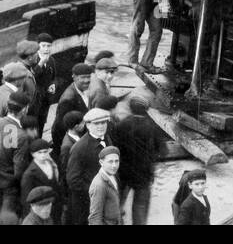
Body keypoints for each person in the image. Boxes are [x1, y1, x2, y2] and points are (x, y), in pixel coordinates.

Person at [114, 95, 161, 225]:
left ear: (131, 108)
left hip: (124, 171)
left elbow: (116, 147)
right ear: (146, 110)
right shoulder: (152, 127)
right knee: (140, 206)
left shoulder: (121, 125)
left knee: (118, 202)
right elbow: (160, 150)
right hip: (144, 173)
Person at [65, 106, 111, 225]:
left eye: (103, 122)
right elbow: (73, 180)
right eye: (97, 124)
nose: (101, 126)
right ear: (88, 125)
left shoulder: (107, 139)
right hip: (87, 204)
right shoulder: (79, 148)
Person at [88, 146, 123, 225]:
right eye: (110, 161)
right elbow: (95, 218)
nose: (114, 165)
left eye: (116, 161)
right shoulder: (99, 185)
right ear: (101, 162)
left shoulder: (112, 175)